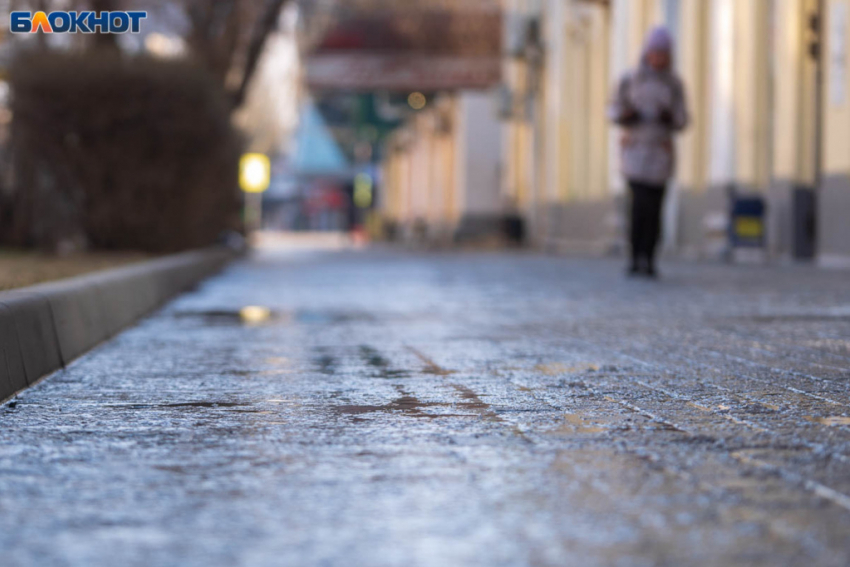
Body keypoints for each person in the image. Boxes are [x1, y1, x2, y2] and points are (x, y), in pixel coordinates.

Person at [610, 27, 689, 278]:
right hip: (634, 152)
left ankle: (650, 257)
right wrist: (626, 115)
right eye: (655, 52)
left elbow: (683, 118)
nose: (658, 58)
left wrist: (671, 118)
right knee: (638, 208)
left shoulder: (673, 84)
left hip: (660, 153)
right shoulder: (631, 80)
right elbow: (613, 109)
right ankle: (634, 257)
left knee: (655, 209)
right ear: (647, 53)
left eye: (663, 53)